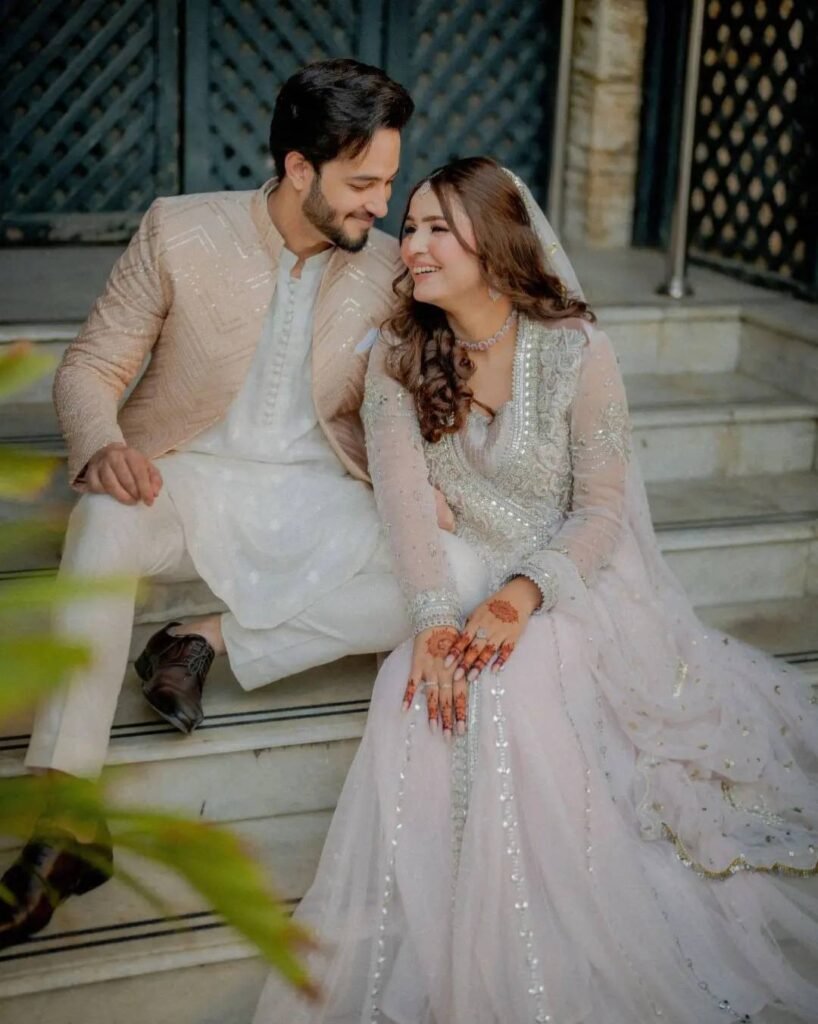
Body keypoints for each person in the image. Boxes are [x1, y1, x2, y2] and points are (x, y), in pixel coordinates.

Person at [253, 157, 818, 1023]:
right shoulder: (398, 356)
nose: (414, 245)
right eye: (411, 226)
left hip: (572, 584)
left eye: (439, 229)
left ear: (495, 242)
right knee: (413, 684)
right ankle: (468, 937)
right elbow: (403, 504)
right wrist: (434, 624)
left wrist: (520, 597)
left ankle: (536, 943)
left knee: (510, 687)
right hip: (460, 579)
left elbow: (601, 512)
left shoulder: (575, 350)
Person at [0, 59, 483, 949]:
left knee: (451, 572)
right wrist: (102, 445)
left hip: (320, 493)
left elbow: (419, 408)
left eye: (388, 181)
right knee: (102, 515)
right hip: (185, 478)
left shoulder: (389, 269)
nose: (382, 205)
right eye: (363, 184)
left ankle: (200, 640)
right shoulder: (179, 230)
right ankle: (64, 817)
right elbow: (91, 367)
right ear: (300, 168)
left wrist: (432, 492)